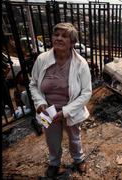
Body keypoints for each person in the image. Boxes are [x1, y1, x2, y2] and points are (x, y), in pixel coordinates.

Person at [29, 22, 92, 178]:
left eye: (64, 36)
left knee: (75, 138)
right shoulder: (42, 59)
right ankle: (54, 163)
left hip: (71, 110)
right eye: (56, 35)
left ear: (72, 42)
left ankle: (79, 159)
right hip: (46, 110)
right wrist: (40, 103)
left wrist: (65, 111)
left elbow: (86, 92)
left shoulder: (80, 63)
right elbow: (33, 85)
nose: (58, 38)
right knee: (51, 140)